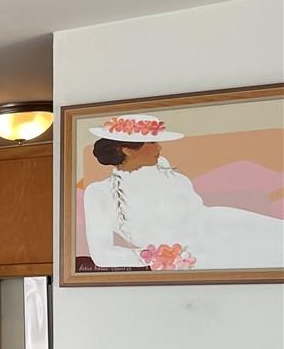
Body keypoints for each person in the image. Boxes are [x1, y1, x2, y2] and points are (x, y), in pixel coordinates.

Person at [81, 116, 284, 270]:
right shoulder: (99, 193)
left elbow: (198, 215)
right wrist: (157, 257)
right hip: (201, 252)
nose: (159, 147)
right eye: (152, 143)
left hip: (222, 227)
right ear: (127, 150)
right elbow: (102, 255)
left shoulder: (170, 176)